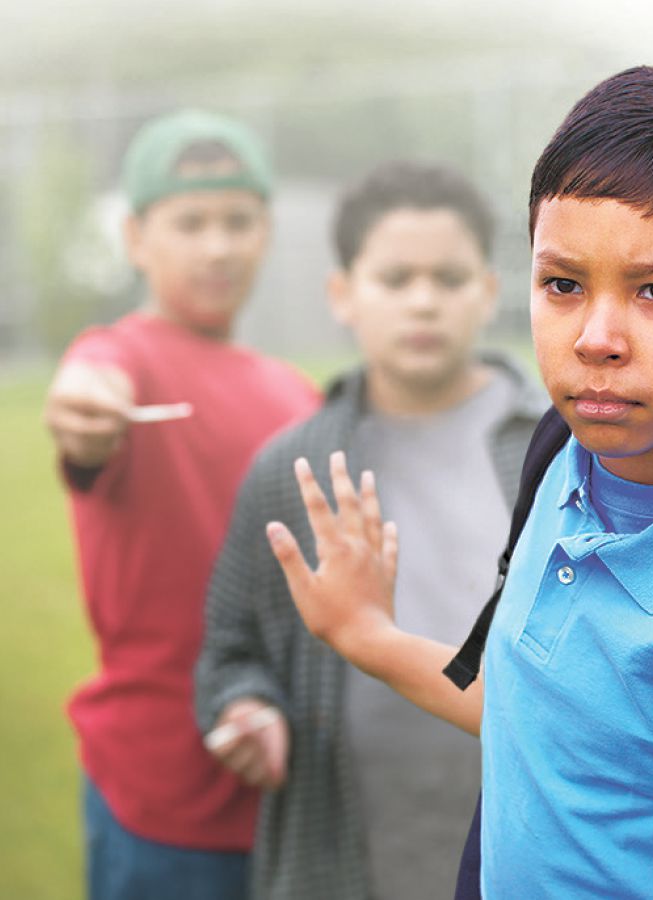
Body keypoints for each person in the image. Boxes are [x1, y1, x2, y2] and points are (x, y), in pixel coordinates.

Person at [266, 66, 653, 899]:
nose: (596, 339)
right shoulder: (568, 451)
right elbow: (546, 723)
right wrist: (367, 635)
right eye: (563, 284)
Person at [194, 160, 547, 900]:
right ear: (342, 294)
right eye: (395, 279)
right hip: (348, 857)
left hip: (528, 852)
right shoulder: (290, 470)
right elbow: (231, 649)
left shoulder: (560, 449)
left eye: (449, 278)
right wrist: (247, 708)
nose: (423, 301)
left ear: (488, 292)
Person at [44, 109, 321, 900]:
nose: (218, 247)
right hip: (158, 798)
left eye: (238, 221)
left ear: (266, 232)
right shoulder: (119, 355)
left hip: (285, 789)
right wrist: (85, 408)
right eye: (190, 223)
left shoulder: (293, 393)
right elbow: (89, 393)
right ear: (137, 238)